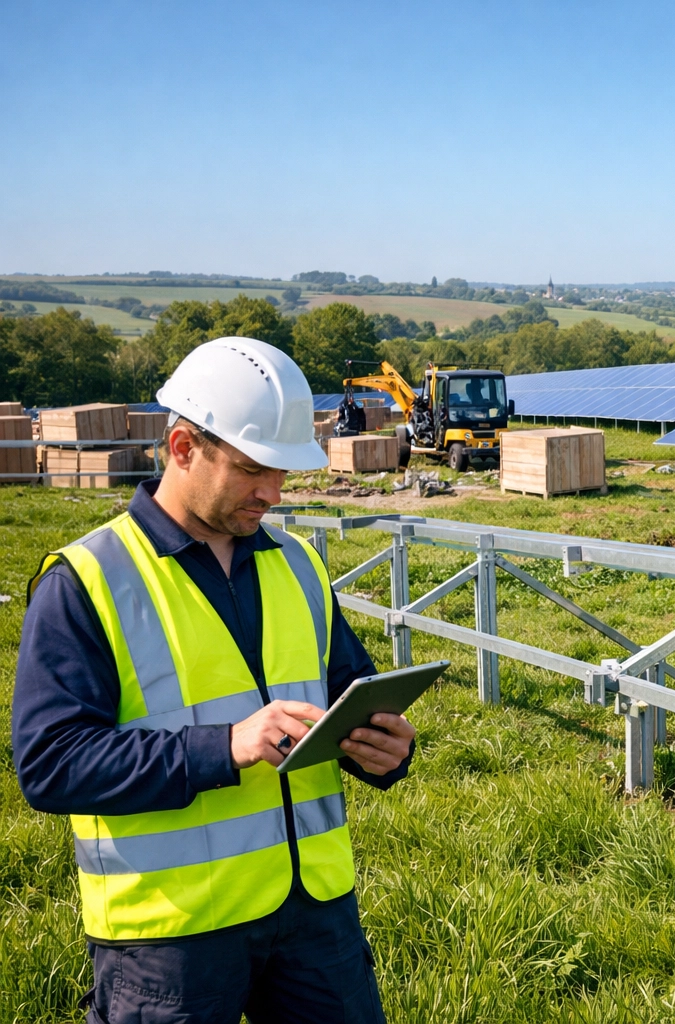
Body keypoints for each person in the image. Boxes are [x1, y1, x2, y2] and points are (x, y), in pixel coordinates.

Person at [13, 337, 416, 1022]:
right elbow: (50, 766)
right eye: (253, 470)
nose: (273, 493)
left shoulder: (298, 565)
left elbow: (349, 696)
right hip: (171, 941)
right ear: (181, 447)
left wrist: (386, 750)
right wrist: (225, 746)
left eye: (283, 473)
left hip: (315, 915)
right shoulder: (86, 581)